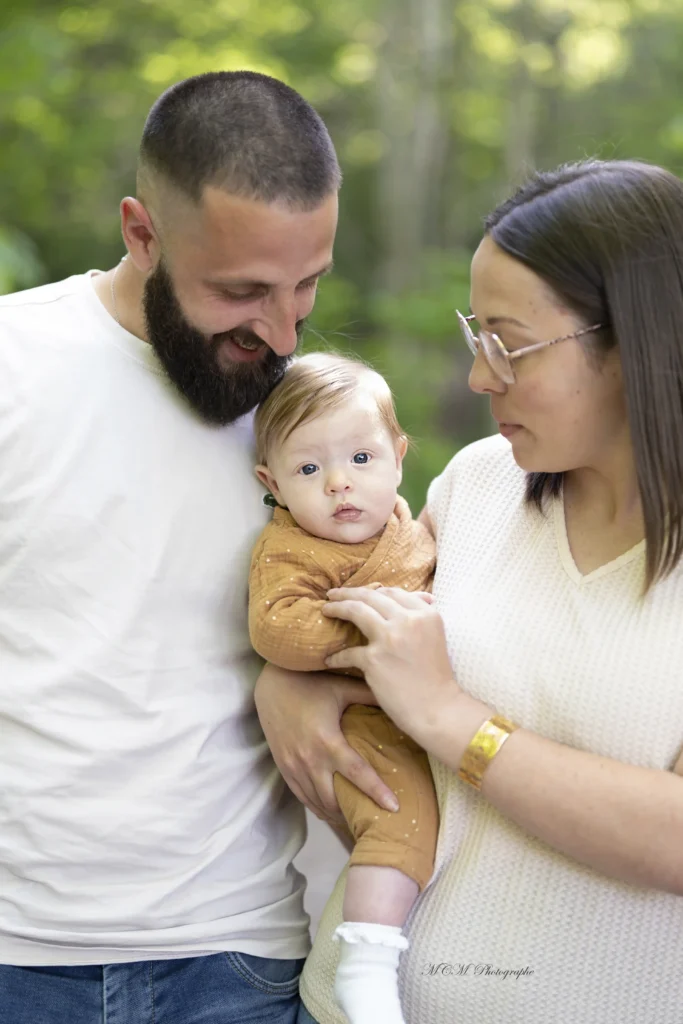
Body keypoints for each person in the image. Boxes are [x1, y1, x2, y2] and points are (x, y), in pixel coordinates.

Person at [0, 70, 396, 1024]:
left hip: (238, 962)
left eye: (308, 284)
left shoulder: (312, 420)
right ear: (142, 233)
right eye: (242, 290)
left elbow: (386, 597)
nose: (282, 331)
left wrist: (298, 673)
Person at [254, 159, 683, 1024]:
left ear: (638, 340)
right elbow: (361, 618)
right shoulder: (478, 482)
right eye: (472, 335)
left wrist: (452, 720)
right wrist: (291, 678)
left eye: (508, 343)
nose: (480, 377)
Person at [249, 352, 438, 1024]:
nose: (338, 484)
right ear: (271, 482)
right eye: (308, 470)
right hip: (366, 731)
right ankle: (366, 959)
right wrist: (372, 637)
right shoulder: (291, 548)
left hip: (429, 721)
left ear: (398, 454)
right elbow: (277, 629)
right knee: (402, 821)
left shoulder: (409, 526)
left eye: (360, 459)